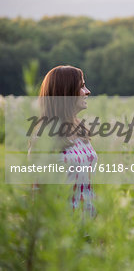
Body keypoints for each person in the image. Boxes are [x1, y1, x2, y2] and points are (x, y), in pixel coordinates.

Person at [30, 65, 97, 219]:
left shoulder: (80, 130)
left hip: (90, 224)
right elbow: (39, 193)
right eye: (81, 86)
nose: (87, 91)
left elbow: (87, 186)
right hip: (64, 228)